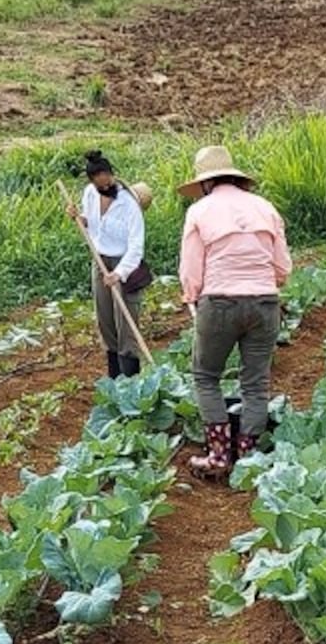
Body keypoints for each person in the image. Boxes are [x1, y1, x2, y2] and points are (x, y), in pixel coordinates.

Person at [177, 144, 290, 480]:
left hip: (221, 302)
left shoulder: (200, 211)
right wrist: (268, 283)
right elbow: (282, 266)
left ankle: (218, 454)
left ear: (206, 182)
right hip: (265, 302)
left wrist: (191, 296)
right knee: (256, 382)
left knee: (206, 376)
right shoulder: (265, 207)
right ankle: (249, 455)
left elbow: (191, 268)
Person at [71, 150, 150, 378]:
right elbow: (93, 225)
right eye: (101, 186)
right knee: (105, 318)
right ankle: (114, 379)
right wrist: (80, 218)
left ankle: (131, 380)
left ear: (113, 176)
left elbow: (136, 247)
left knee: (126, 323)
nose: (106, 189)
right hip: (99, 260)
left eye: (108, 183)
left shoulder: (129, 205)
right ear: (93, 183)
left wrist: (119, 273)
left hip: (125, 264)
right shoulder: (90, 194)